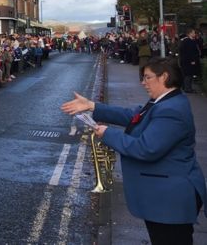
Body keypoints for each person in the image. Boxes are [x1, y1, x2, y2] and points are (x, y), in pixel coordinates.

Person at [61, 58, 206, 245]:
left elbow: (145, 149)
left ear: (164, 77)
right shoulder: (164, 101)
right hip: (164, 197)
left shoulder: (171, 109)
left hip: (170, 201)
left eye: (147, 77)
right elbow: (132, 116)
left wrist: (107, 133)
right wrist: (92, 106)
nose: (143, 83)